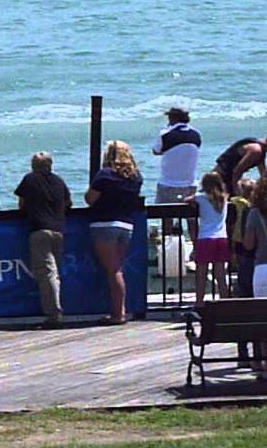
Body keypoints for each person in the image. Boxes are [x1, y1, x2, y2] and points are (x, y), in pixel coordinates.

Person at [84, 140, 143, 326]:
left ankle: (118, 313)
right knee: (117, 269)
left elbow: (90, 198)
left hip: (105, 223)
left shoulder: (105, 175)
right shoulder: (135, 177)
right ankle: (120, 310)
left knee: (113, 270)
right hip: (127, 224)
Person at [14, 152, 72, 329]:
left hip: (39, 230)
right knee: (55, 273)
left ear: (33, 165)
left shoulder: (29, 180)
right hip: (59, 230)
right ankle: (56, 310)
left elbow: (21, 204)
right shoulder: (59, 181)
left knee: (47, 273)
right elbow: (69, 202)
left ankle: (54, 314)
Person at [186, 172, 231, 307]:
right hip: (221, 238)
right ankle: (225, 302)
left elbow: (187, 199)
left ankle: (199, 303)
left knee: (201, 273)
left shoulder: (201, 197)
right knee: (220, 274)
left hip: (206, 238)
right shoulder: (224, 198)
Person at [241, 179, 267, 378]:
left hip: (262, 268)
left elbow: (249, 245)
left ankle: (263, 363)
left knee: (262, 316)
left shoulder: (254, 214)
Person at [153, 107, 201, 205]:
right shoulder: (196, 134)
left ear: (172, 118)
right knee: (191, 216)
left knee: (166, 215)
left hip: (168, 183)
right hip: (190, 184)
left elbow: (156, 151)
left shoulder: (165, 134)